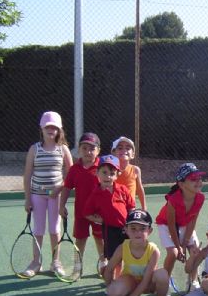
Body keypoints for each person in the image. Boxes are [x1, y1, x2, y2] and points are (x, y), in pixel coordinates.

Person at [22, 111, 73, 277]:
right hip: (37, 194)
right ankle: (36, 262)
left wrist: (59, 189)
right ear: (41, 128)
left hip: (55, 196)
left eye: (54, 127)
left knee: (54, 229)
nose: (51, 130)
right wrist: (27, 199)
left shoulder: (63, 149)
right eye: (47, 126)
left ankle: (55, 262)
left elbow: (72, 175)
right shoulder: (34, 149)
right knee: (38, 229)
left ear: (59, 130)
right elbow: (28, 175)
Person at [104, 209, 169, 296]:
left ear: (150, 230)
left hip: (148, 285)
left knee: (162, 274)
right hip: (131, 283)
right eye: (133, 228)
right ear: (126, 229)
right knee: (113, 291)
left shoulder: (153, 251)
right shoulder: (122, 248)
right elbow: (108, 269)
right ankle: (119, 295)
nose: (138, 232)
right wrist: (111, 295)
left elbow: (145, 281)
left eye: (142, 228)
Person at [59, 132, 105, 274]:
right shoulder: (74, 169)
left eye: (92, 148)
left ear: (98, 150)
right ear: (79, 150)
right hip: (80, 213)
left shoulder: (103, 168)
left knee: (100, 239)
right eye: (84, 148)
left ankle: (103, 264)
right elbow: (67, 188)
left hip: (99, 213)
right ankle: (77, 267)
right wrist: (61, 205)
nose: (88, 152)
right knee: (80, 240)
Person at [84, 154, 136, 276]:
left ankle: (125, 276)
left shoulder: (122, 189)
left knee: (128, 253)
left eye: (112, 173)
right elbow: (87, 213)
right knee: (114, 256)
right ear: (97, 173)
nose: (108, 176)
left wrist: (130, 222)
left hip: (126, 229)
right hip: (110, 230)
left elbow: (131, 206)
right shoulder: (95, 194)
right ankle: (114, 278)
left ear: (117, 175)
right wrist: (99, 220)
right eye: (104, 172)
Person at [155, 163, 205, 287]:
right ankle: (164, 282)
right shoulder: (173, 200)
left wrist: (184, 243)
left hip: (186, 225)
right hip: (166, 226)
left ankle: (192, 281)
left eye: (199, 178)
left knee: (196, 251)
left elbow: (193, 221)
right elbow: (171, 226)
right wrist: (178, 247)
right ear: (181, 184)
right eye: (193, 179)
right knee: (173, 253)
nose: (198, 182)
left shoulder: (200, 198)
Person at [111, 136, 146, 210]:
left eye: (128, 148)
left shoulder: (135, 170)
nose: (124, 150)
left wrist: (144, 207)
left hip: (130, 209)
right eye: (120, 148)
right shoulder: (109, 171)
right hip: (113, 208)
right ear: (113, 153)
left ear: (133, 154)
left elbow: (139, 190)